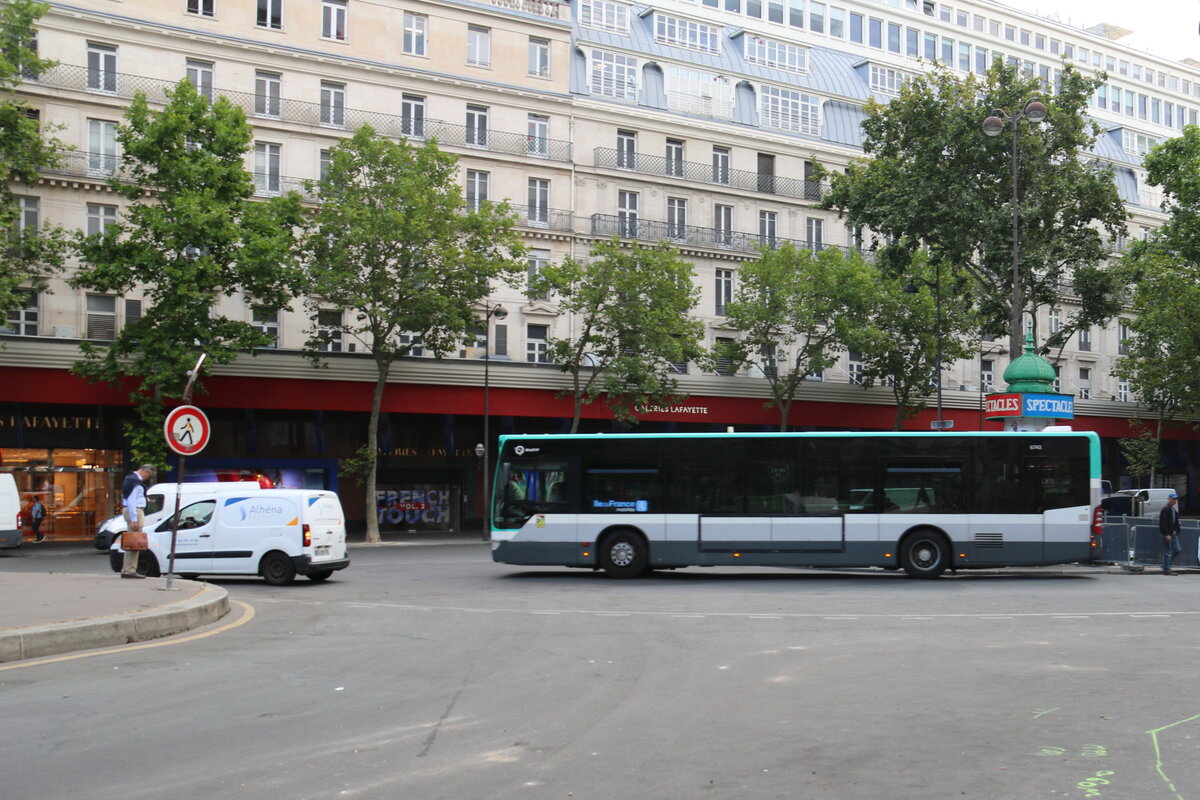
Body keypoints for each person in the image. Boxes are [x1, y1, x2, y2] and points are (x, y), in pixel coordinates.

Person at [120, 464, 156, 579]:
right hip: (135, 510)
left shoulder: (130, 479)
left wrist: (144, 499)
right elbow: (131, 500)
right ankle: (130, 570)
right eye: (148, 475)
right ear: (146, 472)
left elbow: (131, 497)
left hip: (132, 510)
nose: (147, 478)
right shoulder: (134, 481)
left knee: (131, 541)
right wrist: (134, 518)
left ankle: (126, 569)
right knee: (135, 542)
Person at [1159, 490, 1182, 575]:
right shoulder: (1166, 509)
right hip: (1168, 533)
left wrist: (1176, 530)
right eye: (1173, 499)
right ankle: (1166, 569)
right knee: (1168, 551)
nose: (1175, 501)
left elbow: (1175, 521)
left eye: (1176, 499)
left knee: (1177, 550)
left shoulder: (1173, 510)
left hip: (1173, 533)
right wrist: (1166, 534)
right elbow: (1163, 522)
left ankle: (1166, 565)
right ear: (1169, 499)